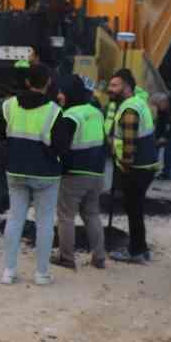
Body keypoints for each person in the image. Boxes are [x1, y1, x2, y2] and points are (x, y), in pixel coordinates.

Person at [0, 62, 66, 285]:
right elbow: (60, 146)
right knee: (44, 222)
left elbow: (0, 134)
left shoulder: (9, 106)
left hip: (15, 170)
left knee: (15, 219)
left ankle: (8, 271)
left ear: (27, 82)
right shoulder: (54, 111)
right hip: (45, 173)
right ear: (49, 83)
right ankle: (42, 274)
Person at [52, 76, 107, 270]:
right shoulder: (96, 112)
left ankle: (66, 258)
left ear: (68, 93)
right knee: (92, 214)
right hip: (97, 173)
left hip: (75, 174)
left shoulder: (71, 116)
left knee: (65, 215)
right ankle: (99, 257)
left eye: (61, 92)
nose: (59, 96)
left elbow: (60, 147)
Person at [107, 68, 160, 264]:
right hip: (146, 165)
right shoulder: (137, 103)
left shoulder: (129, 110)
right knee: (135, 209)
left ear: (127, 87)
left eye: (115, 85)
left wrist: (124, 166)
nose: (110, 89)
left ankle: (136, 251)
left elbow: (129, 144)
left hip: (137, 168)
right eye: (110, 85)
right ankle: (140, 248)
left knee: (134, 210)